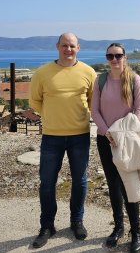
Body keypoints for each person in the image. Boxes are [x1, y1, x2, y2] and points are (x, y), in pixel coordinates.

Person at [29, 32, 96, 249]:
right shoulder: (43, 72)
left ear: (79, 48)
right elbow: (35, 101)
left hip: (80, 135)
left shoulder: (88, 72)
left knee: (80, 181)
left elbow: (93, 101)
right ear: (57, 46)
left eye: (72, 46)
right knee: (47, 183)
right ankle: (47, 226)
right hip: (51, 136)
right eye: (64, 45)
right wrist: (52, 116)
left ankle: (76, 221)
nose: (68, 49)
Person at [91, 42, 140, 253]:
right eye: (110, 56)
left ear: (125, 57)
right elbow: (94, 110)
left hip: (127, 140)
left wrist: (121, 134)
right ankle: (118, 228)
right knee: (113, 186)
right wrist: (108, 133)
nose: (114, 60)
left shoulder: (134, 79)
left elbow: (139, 111)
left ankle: (136, 231)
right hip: (106, 140)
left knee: (129, 185)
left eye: (118, 55)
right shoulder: (101, 80)